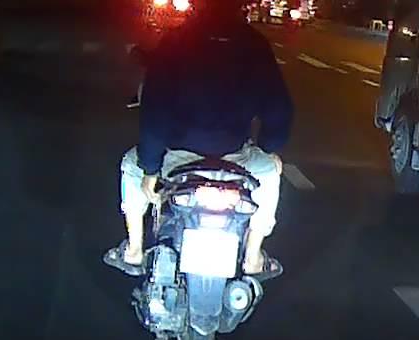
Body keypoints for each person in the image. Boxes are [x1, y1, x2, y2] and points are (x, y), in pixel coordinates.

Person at [105, 0, 294, 279]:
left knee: (131, 167)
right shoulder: (255, 45)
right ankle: (253, 258)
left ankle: (133, 251)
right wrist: (268, 147)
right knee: (270, 174)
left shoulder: (175, 43)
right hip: (235, 158)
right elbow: (279, 109)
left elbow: (155, 115)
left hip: (178, 157)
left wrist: (150, 170)